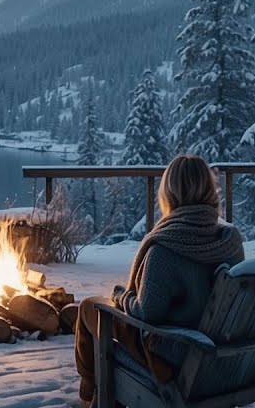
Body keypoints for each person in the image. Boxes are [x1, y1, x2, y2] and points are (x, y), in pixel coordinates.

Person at [73, 154, 245, 405]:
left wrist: (123, 296)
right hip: (221, 355)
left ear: (170, 193)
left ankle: (90, 395)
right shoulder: (229, 241)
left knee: (91, 307)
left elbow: (147, 314)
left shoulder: (165, 249)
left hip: (172, 356)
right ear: (210, 189)